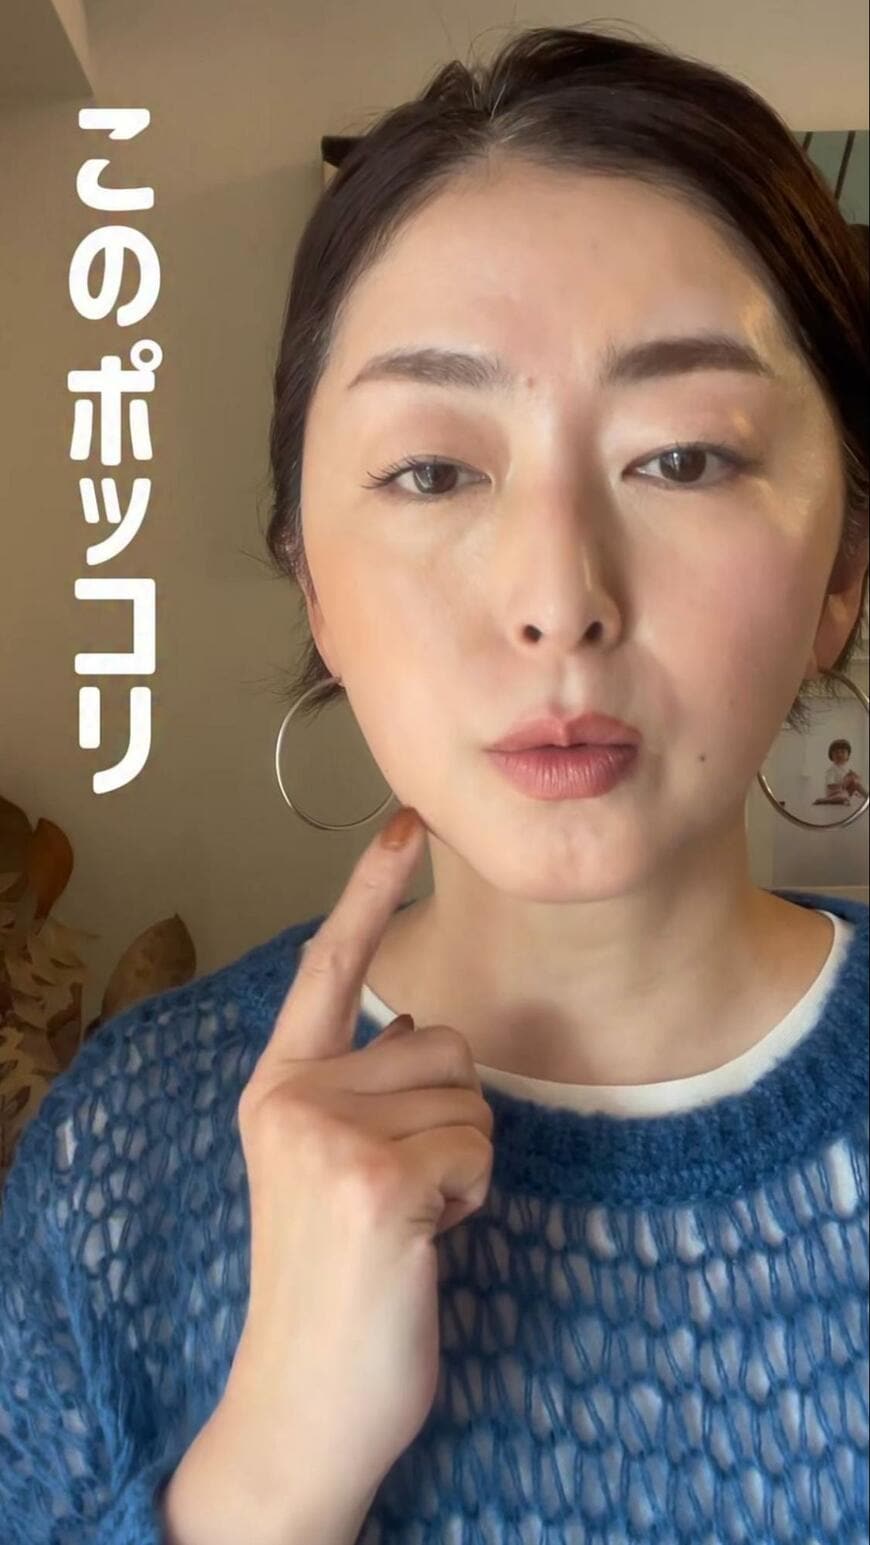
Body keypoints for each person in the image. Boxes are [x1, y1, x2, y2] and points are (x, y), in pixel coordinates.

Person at [1, 23, 868, 1545]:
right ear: (314, 590)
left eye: (681, 457)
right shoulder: (117, 1156)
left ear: (843, 571)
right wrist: (266, 1472)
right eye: (431, 470)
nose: (557, 599)